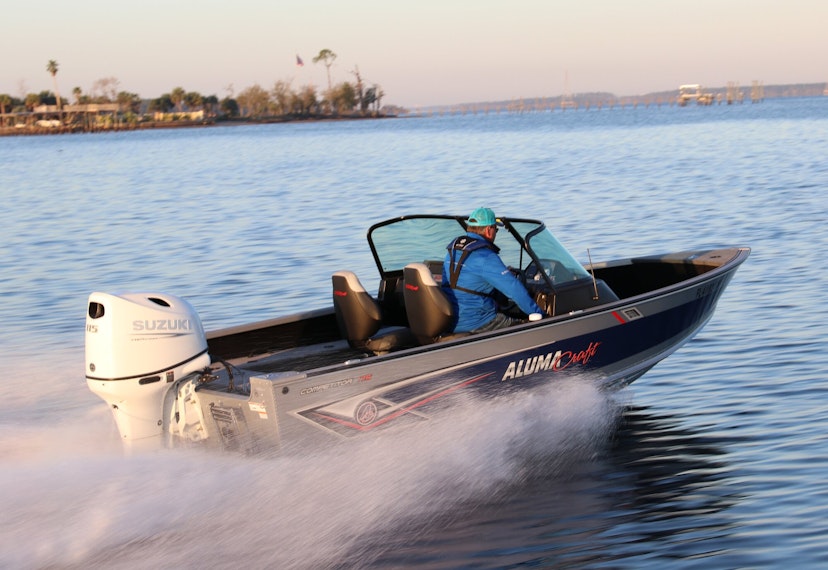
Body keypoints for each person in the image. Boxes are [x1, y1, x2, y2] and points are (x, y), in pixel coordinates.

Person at [442, 207, 544, 333]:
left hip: (451, 322)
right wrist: (540, 315)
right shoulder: (486, 257)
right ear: (489, 230)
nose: (495, 233)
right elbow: (514, 289)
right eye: (496, 229)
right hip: (479, 322)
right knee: (523, 326)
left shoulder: (452, 252)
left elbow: (468, 280)